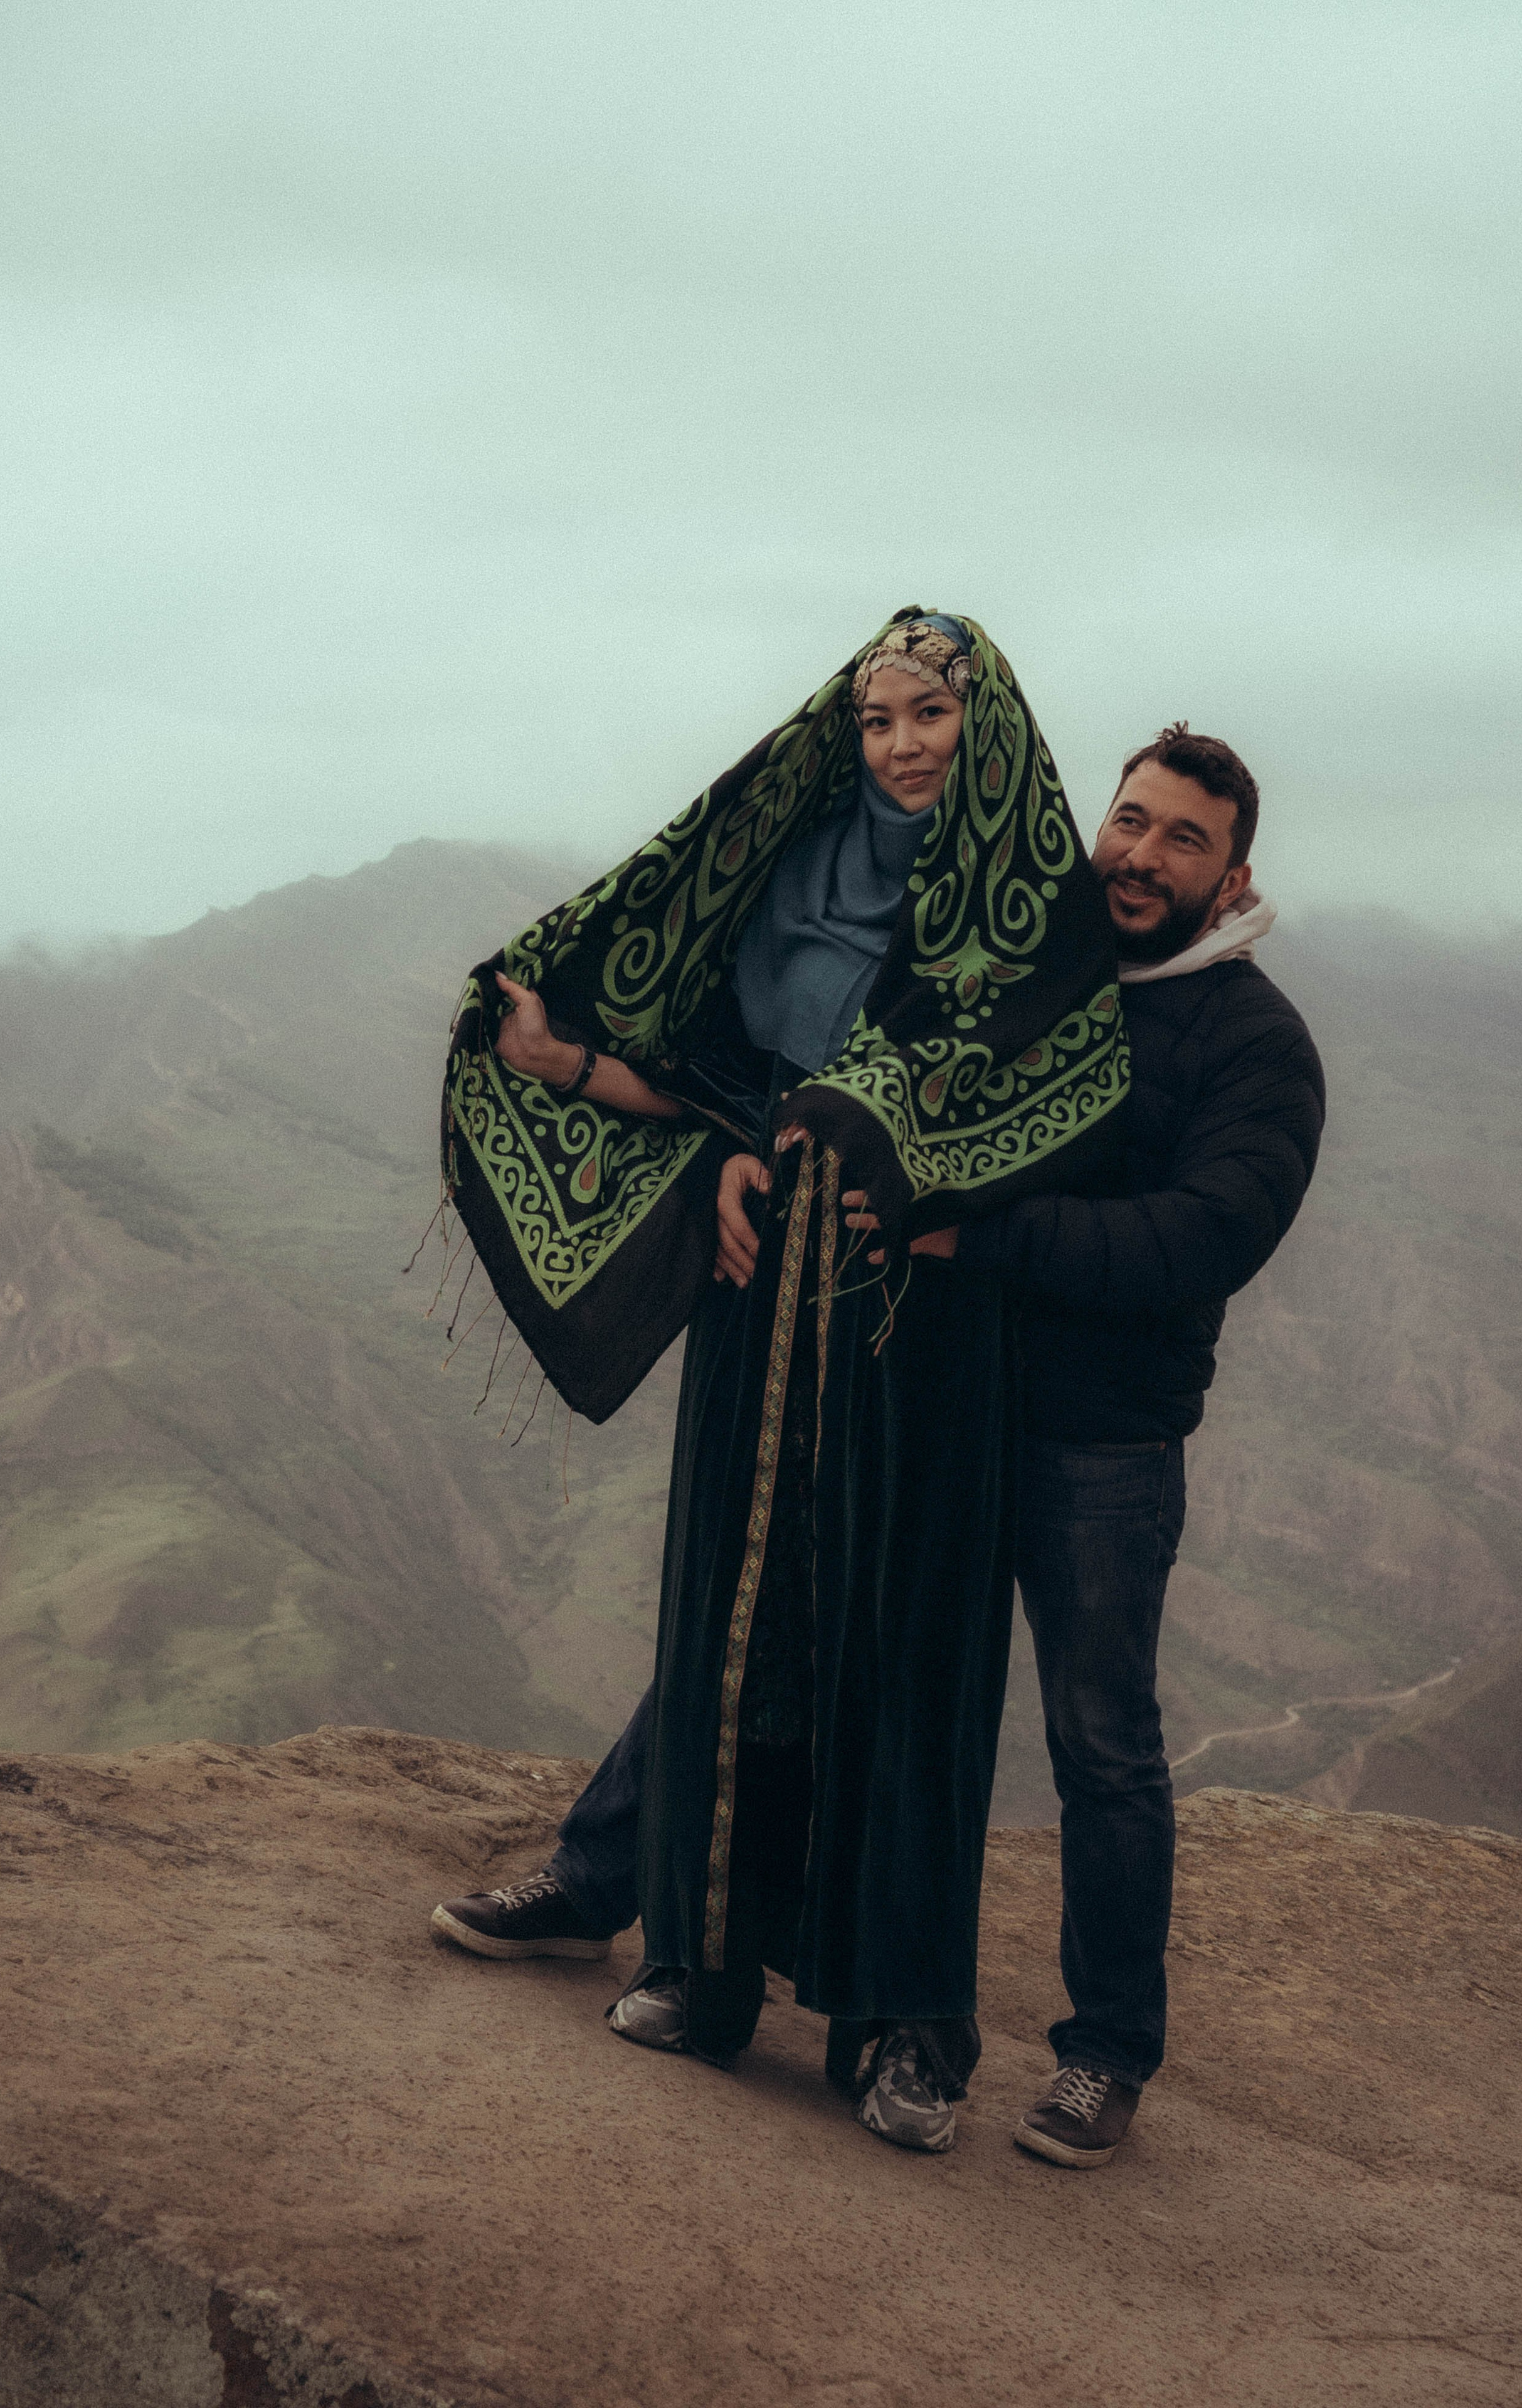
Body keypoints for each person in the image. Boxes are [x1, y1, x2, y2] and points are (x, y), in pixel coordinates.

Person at [436, 710, 1323, 2170]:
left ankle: (1099, 2058)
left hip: (1092, 1444)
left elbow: (1206, 1233)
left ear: (1231, 882)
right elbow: (808, 1082)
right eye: (1133, 820)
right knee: (779, 1628)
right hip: (924, 1396)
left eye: (1185, 840)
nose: (1144, 855)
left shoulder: (1247, 1039)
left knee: (1100, 1743)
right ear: (1093, 822)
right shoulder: (1014, 965)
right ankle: (609, 1884)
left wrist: (979, 1230)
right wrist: (698, 1138)